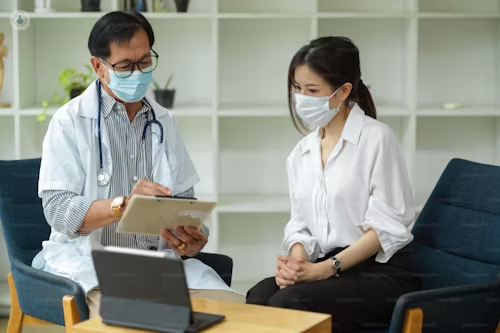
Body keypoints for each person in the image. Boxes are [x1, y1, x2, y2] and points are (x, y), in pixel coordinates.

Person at [31, 10, 245, 318]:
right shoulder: (69, 122)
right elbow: (58, 212)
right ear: (98, 66)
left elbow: (183, 202)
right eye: (125, 66)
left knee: (233, 312)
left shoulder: (164, 121)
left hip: (154, 262)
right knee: (142, 317)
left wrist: (191, 237)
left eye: (144, 62)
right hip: (89, 262)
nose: (137, 73)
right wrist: (123, 205)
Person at [246, 36, 420, 333]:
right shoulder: (302, 152)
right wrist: (298, 265)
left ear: (343, 92)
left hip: (379, 273)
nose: (302, 98)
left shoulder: (377, 138)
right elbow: (299, 223)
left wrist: (324, 270)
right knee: (259, 296)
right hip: (329, 266)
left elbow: (388, 226)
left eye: (312, 90)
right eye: (297, 88)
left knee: (291, 302)